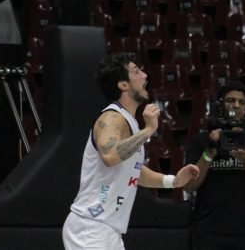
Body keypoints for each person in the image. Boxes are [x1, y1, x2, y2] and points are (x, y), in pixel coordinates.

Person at [62, 53, 200, 250]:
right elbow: (110, 156)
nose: (144, 75)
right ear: (123, 85)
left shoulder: (129, 122)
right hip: (91, 228)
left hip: (109, 232)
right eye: (136, 71)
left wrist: (173, 181)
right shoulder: (111, 118)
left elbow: (132, 170)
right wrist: (148, 130)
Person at [182, 80, 245, 250]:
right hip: (208, 230)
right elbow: (189, 185)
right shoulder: (203, 140)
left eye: (242, 102)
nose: (236, 105)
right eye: (231, 100)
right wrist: (210, 152)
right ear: (220, 105)